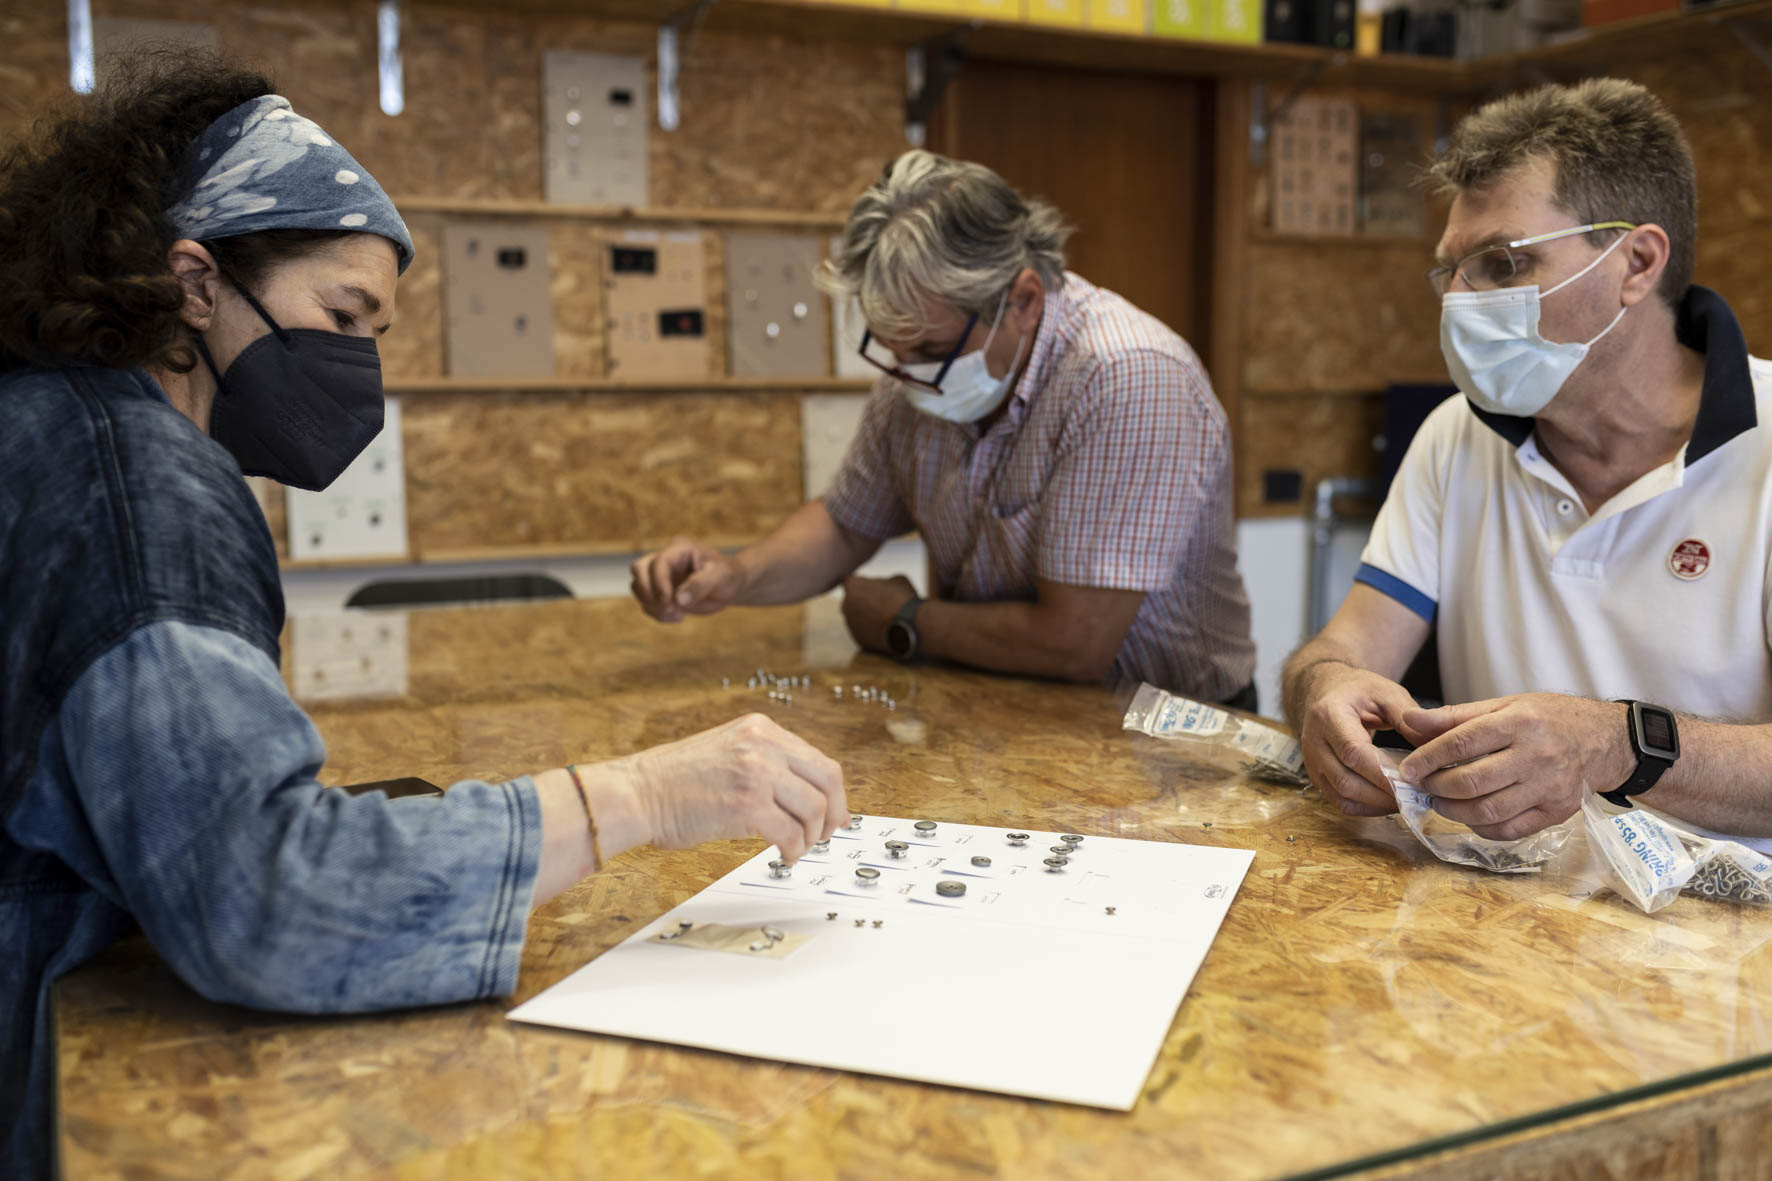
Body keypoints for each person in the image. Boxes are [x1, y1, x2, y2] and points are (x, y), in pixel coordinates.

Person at [0, 55, 846, 1177]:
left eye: (374, 333)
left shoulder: (54, 413)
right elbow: (266, 896)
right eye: (339, 315)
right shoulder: (141, 491)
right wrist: (641, 795)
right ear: (195, 285)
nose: (357, 369)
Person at [1283, 78, 1772, 845]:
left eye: (1503, 265)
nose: (1460, 300)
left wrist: (1614, 746)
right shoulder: (1455, 438)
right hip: (1499, 900)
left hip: (1726, 911)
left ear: (1637, 263)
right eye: (1452, 270)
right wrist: (1325, 689)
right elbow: (1339, 650)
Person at [631, 151, 1256, 706]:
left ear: (1024, 301)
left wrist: (906, 620)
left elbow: (1076, 642)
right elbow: (847, 525)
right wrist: (735, 575)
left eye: (930, 349)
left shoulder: (1127, 376)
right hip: (1011, 710)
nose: (909, 374)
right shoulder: (916, 372)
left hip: (1172, 735)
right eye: (894, 350)